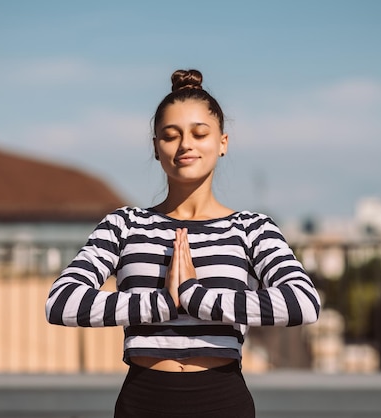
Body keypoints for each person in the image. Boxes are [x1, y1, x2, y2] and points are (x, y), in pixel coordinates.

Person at [45, 69, 321, 418]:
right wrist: (162, 303)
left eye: (199, 133)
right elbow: (61, 302)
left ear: (222, 142)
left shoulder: (252, 228)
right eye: (170, 136)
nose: (185, 145)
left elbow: (303, 303)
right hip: (143, 400)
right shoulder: (124, 225)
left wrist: (196, 296)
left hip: (222, 400)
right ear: (156, 148)